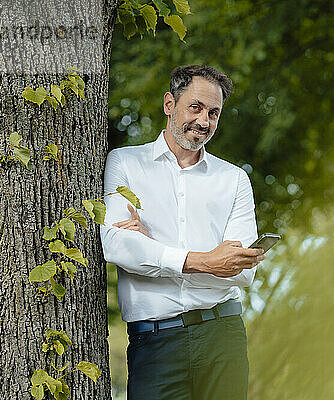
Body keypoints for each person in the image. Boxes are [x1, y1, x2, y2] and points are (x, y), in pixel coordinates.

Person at [100, 65, 264, 400]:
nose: (204, 122)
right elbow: (117, 246)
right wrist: (206, 260)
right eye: (196, 107)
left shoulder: (233, 180)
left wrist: (153, 249)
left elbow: (244, 273)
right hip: (154, 344)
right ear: (169, 104)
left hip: (223, 335)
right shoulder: (125, 163)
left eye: (214, 113)